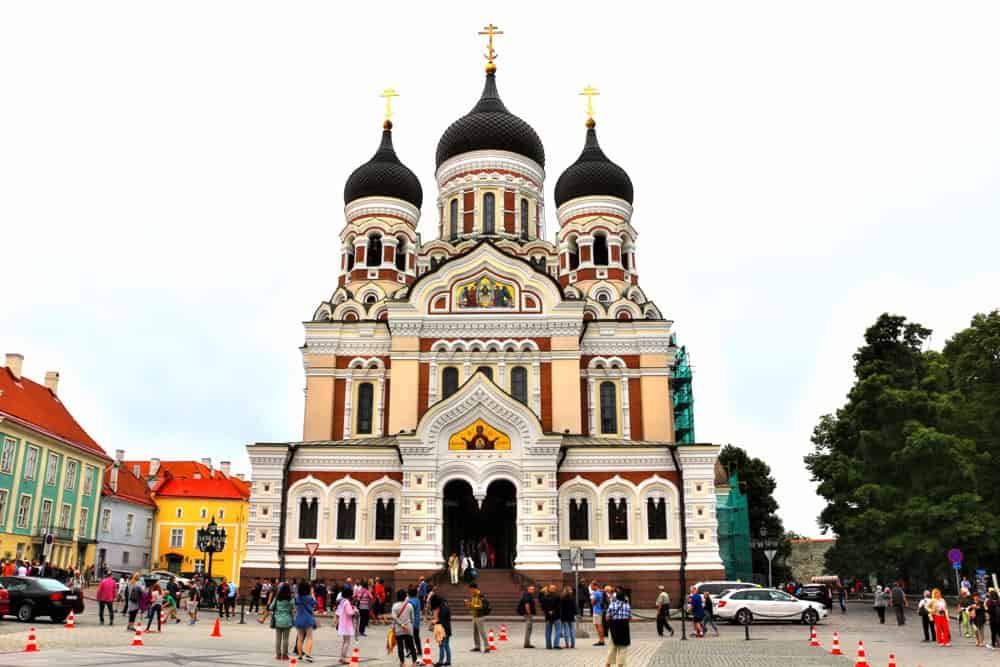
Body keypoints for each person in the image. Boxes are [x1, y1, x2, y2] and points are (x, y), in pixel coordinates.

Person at [604, 586, 631, 667]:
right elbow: (630, 618)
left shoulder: (612, 605)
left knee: (612, 647)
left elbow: (607, 617)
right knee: (623, 647)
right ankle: (620, 665)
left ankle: (608, 664)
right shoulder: (627, 606)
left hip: (614, 627)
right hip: (624, 627)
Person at [391, 589, 418, 667]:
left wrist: (401, 624)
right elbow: (412, 618)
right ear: (405, 596)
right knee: (411, 646)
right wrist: (407, 624)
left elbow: (394, 617)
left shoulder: (394, 606)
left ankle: (403, 663)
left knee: (400, 646)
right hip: (408, 628)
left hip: (399, 629)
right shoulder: (409, 605)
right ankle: (414, 662)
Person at [294, 580, 317, 663]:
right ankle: (308, 655)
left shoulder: (297, 597)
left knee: (300, 638)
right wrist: (312, 593)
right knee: (309, 637)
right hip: (307, 619)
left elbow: (296, 605)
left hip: (298, 619)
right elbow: (315, 603)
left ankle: (300, 656)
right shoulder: (309, 598)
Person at [270, 582, 294, 661]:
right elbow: (293, 608)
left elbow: (271, 607)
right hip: (287, 620)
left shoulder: (277, 598)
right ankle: (285, 655)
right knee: (286, 639)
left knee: (278, 638)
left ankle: (278, 655)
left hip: (278, 620)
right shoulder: (290, 598)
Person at [334, 584, 356, 664]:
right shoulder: (346, 602)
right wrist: (355, 611)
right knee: (347, 641)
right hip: (347, 624)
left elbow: (338, 612)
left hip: (342, 623)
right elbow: (349, 613)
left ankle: (342, 657)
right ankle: (343, 657)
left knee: (344, 641)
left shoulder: (342, 601)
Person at [466, 582, 489, 652]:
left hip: (480, 616)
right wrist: (469, 604)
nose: (470, 591)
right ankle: (477, 646)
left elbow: (481, 606)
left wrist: (472, 605)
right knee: (475, 631)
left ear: (473, 588)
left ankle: (487, 646)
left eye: (470, 589)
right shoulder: (473, 595)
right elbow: (473, 605)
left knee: (482, 631)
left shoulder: (480, 595)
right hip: (474, 615)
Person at [430, 594, 452, 667]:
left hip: (443, 629)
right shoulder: (444, 606)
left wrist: (434, 622)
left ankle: (440, 661)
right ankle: (448, 661)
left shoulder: (443, 608)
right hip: (447, 629)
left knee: (442, 645)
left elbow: (442, 620)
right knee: (446, 645)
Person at [541, 583, 562, 649]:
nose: (553, 589)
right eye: (553, 588)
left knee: (548, 631)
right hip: (556, 616)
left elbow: (543, 607)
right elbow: (559, 607)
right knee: (558, 630)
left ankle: (548, 645)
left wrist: (548, 611)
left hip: (548, 616)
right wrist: (553, 611)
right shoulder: (557, 596)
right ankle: (556, 645)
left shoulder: (545, 597)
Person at [590, 581, 606, 646]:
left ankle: (601, 640)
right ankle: (601, 639)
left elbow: (592, 602)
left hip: (597, 611)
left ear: (595, 586)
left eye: (591, 586)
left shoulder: (596, 593)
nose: (591, 588)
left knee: (599, 626)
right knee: (600, 625)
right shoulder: (601, 592)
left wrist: (592, 598)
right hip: (601, 610)